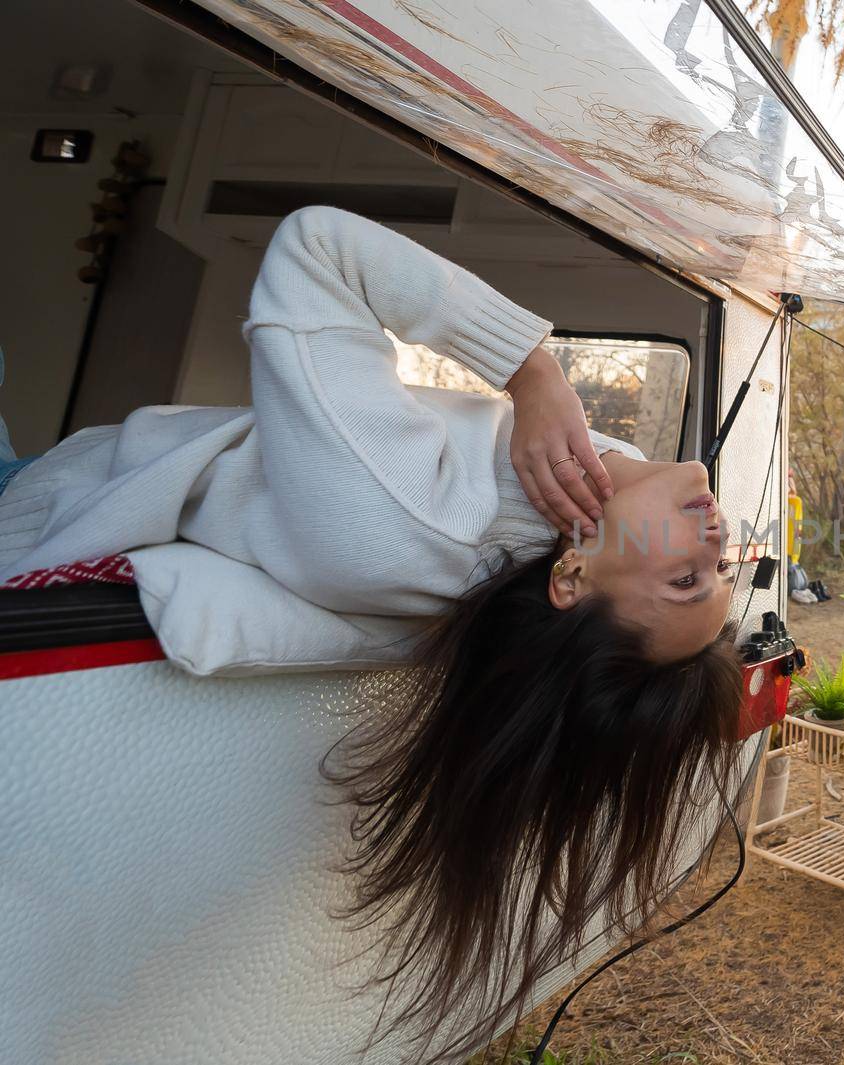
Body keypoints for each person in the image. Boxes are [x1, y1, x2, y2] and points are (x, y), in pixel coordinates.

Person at [0, 206, 744, 1061]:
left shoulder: (405, 525)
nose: (720, 547)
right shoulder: (579, 502)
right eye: (719, 576)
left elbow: (316, 245)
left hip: (39, 493)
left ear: (570, 578)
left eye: (688, 578)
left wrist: (530, 370)